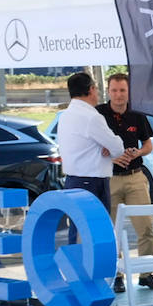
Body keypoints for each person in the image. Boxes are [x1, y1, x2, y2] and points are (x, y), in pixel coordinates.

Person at [98, 73, 153, 293]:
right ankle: (117, 275)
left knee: (146, 227)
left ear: (128, 92)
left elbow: (149, 144)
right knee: (111, 231)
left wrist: (138, 152)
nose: (118, 95)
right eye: (114, 90)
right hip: (109, 178)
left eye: (122, 90)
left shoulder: (137, 115)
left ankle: (146, 274)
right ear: (108, 91)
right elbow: (92, 145)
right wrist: (111, 156)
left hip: (135, 176)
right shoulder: (99, 114)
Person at [57, 72, 124, 245]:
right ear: (91, 90)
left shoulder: (64, 116)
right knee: (95, 234)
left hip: (72, 180)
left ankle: (76, 271)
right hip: (92, 181)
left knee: (77, 230)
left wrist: (105, 146)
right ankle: (94, 272)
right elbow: (117, 148)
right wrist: (108, 146)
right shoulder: (92, 117)